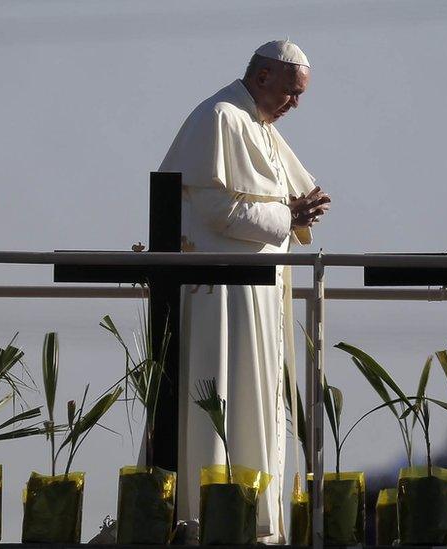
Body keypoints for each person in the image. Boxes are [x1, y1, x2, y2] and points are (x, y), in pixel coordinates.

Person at [158, 38, 329, 543]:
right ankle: (202, 515)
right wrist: (288, 215)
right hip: (220, 295)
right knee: (220, 392)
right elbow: (216, 210)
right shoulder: (221, 117)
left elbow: (290, 196)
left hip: (257, 295)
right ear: (262, 78)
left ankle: (256, 518)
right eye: (292, 93)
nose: (295, 104)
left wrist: (300, 209)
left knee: (256, 397)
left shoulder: (261, 126)